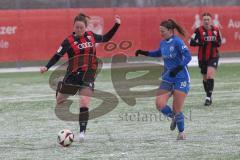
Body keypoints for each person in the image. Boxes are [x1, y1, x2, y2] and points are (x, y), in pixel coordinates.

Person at [40, 13, 121, 142]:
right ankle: (61, 88)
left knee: (84, 102)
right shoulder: (68, 41)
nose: (79, 30)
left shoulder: (91, 36)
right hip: (72, 75)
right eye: (76, 27)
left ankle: (82, 132)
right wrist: (47, 67)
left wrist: (117, 25)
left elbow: (106, 38)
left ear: (86, 27)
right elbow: (57, 55)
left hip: (88, 75)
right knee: (59, 100)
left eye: (81, 28)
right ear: (73, 27)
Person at [135, 19, 192, 140]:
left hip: (181, 78)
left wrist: (179, 68)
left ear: (170, 31)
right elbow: (158, 52)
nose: (160, 33)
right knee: (160, 104)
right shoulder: (163, 42)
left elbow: (188, 56)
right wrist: (144, 52)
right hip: (167, 78)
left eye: (163, 31)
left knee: (177, 108)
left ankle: (181, 133)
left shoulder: (177, 41)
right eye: (160, 31)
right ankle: (174, 117)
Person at [190, 12, 222, 106]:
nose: (206, 21)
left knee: (209, 76)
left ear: (211, 20)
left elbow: (219, 42)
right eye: (205, 19)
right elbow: (191, 42)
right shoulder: (198, 30)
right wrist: (199, 43)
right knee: (205, 79)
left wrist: (216, 42)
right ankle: (208, 94)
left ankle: (208, 98)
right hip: (202, 57)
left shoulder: (216, 29)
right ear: (202, 21)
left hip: (214, 56)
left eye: (208, 19)